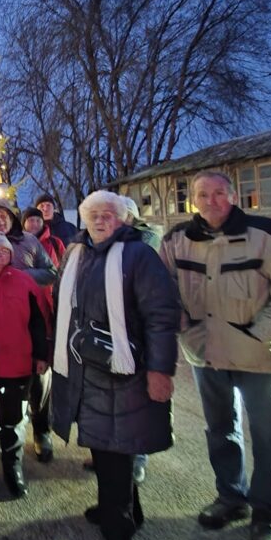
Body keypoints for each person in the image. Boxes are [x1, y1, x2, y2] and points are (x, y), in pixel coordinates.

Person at [159, 170, 271, 540]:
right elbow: (163, 292)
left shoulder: (270, 236)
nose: (211, 201)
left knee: (267, 435)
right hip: (205, 355)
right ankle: (231, 496)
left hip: (258, 356)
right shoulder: (177, 240)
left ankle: (266, 512)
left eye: (219, 193)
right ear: (192, 199)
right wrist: (186, 331)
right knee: (220, 430)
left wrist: (258, 335)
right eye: (202, 194)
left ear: (233, 195)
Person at [51, 191, 180, 540]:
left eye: (110, 214)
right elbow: (62, 308)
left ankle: (118, 533)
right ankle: (126, 511)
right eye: (94, 214)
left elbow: (161, 315)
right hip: (85, 370)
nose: (101, 220)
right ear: (84, 219)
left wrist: (161, 370)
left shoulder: (139, 256)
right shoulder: (76, 255)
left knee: (116, 451)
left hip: (125, 373)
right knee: (109, 450)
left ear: (123, 220)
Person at [0, 197, 57, 463]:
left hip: (31, 322)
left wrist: (18, 278)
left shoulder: (29, 241)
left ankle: (42, 432)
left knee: (39, 384)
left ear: (12, 217)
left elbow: (51, 272)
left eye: (2, 215)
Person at [0, 233, 51, 501]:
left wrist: (41, 356)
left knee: (14, 420)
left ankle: (13, 468)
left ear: (10, 255)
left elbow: (39, 323)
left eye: (2, 252)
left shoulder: (25, 282)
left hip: (19, 365)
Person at [118, 195, 160, 484]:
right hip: (109, 332)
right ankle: (112, 455)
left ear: (131, 217)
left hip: (137, 331)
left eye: (120, 214)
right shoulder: (100, 244)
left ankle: (137, 460)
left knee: (137, 402)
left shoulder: (147, 243)